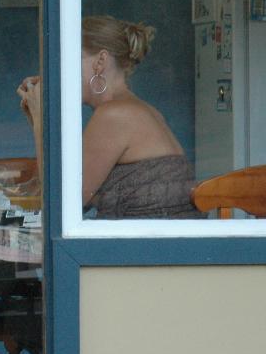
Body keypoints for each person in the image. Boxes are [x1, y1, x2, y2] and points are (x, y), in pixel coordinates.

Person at [16, 15, 200, 219]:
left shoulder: (115, 115)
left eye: (67, 61)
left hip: (148, 248)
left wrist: (41, 119)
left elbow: (61, 202)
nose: (59, 73)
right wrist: (37, 116)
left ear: (101, 61)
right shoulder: (139, 110)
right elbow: (83, 193)